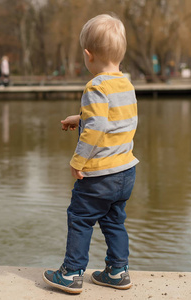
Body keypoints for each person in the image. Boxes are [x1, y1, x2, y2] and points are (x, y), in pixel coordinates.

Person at [42, 14, 139, 294]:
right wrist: (80, 116)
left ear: (88, 55)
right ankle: (118, 271)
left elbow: (96, 129)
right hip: (125, 171)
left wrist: (78, 160)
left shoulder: (95, 86)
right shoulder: (126, 85)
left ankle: (71, 273)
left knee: (80, 217)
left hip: (99, 174)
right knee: (113, 219)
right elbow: (116, 121)